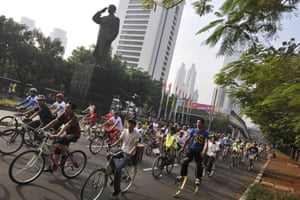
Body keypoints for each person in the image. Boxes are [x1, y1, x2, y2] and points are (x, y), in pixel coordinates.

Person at [39, 101, 81, 171]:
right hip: (67, 134)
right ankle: (54, 166)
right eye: (66, 107)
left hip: (74, 135)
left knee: (61, 140)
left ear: (72, 109)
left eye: (68, 108)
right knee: (57, 148)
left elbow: (66, 126)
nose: (66, 108)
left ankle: (64, 156)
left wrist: (57, 135)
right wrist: (44, 128)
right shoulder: (65, 114)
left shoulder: (74, 118)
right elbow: (55, 121)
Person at [109, 119, 140, 198]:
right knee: (109, 155)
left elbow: (135, 146)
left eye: (131, 126)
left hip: (129, 154)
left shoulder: (137, 134)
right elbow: (120, 140)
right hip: (122, 150)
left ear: (134, 126)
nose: (129, 127)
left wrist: (130, 152)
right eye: (128, 124)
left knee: (119, 169)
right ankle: (114, 172)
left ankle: (117, 190)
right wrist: (112, 145)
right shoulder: (124, 131)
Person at [177, 118, 209, 185]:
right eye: (197, 122)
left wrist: (204, 151)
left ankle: (198, 178)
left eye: (199, 122)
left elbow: (206, 143)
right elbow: (187, 139)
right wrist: (183, 148)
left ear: (202, 124)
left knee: (199, 165)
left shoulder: (205, 133)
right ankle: (182, 175)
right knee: (185, 161)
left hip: (199, 151)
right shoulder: (193, 130)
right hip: (191, 150)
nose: (198, 124)